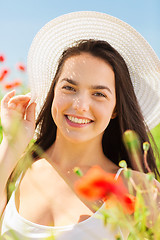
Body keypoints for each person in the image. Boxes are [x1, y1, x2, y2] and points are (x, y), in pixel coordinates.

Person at [0, 11, 160, 240]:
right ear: (53, 92)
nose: (81, 105)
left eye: (99, 94)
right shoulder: (15, 170)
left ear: (115, 108)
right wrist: (11, 145)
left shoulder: (137, 189)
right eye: (69, 88)